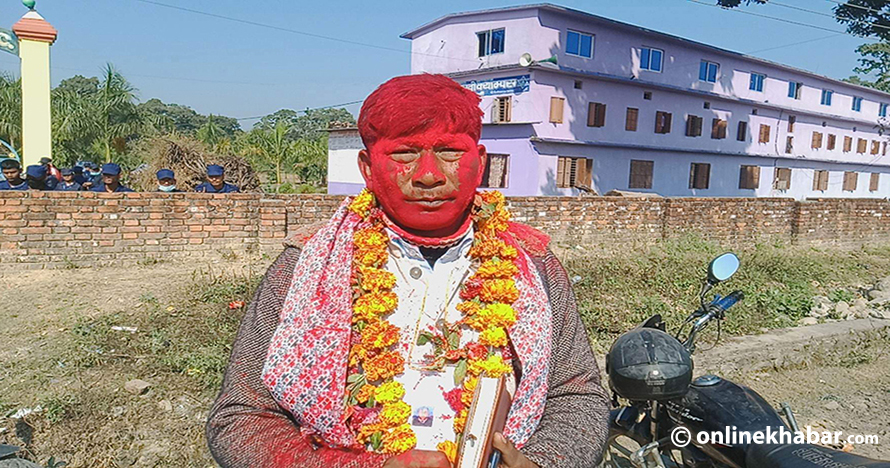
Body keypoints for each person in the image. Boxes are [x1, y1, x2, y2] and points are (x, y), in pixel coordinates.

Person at [206, 74, 609, 468]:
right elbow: (241, 417)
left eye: (450, 152)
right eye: (404, 154)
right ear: (367, 167)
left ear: (481, 162)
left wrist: (540, 462)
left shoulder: (533, 263)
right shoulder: (304, 264)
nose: (429, 174)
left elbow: (577, 394)